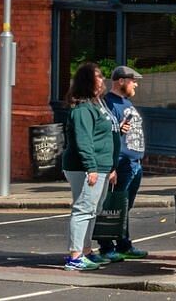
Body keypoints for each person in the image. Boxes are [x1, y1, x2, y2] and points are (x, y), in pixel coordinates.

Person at [60, 63, 115, 272]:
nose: (101, 80)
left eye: (101, 76)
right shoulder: (83, 109)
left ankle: (86, 250)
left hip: (100, 166)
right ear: (87, 82)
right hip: (84, 167)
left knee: (93, 210)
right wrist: (91, 167)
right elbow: (84, 141)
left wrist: (109, 167)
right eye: (97, 77)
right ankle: (75, 257)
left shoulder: (96, 104)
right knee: (83, 209)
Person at [97, 65, 146, 262]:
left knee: (125, 207)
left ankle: (124, 244)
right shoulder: (109, 103)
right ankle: (107, 246)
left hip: (134, 162)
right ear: (121, 81)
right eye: (133, 80)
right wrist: (112, 167)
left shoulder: (125, 102)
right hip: (121, 163)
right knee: (113, 205)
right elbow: (108, 133)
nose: (136, 85)